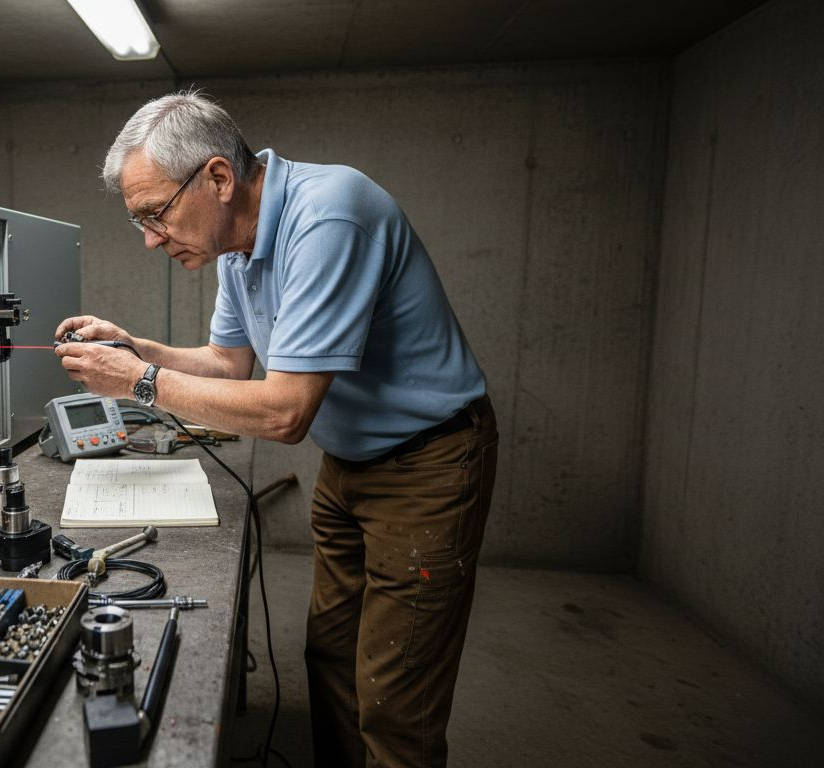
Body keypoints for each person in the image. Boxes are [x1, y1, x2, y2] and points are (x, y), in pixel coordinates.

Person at [54, 91, 498, 768]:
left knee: (395, 695)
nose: (149, 239)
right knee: (331, 652)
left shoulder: (330, 217)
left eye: (155, 216)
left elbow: (286, 412)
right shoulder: (236, 243)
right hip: (351, 462)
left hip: (427, 464)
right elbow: (229, 365)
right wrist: (138, 348)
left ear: (218, 179)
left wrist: (137, 383)